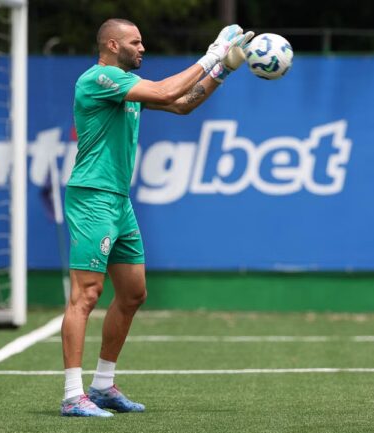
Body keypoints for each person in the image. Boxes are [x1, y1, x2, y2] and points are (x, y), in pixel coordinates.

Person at [60, 19, 253, 417]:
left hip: (119, 201)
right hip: (92, 198)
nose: (142, 47)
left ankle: (102, 386)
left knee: (132, 294)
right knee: (87, 295)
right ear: (113, 45)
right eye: (136, 42)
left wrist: (223, 70)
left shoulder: (127, 87)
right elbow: (167, 89)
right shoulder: (99, 78)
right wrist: (212, 54)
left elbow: (182, 103)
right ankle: (71, 395)